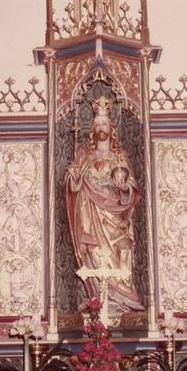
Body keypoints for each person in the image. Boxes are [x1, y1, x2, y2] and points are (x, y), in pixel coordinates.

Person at [66, 96, 144, 312]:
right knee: (95, 256)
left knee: (121, 251)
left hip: (115, 218)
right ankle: (98, 298)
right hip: (91, 214)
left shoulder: (119, 156)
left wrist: (124, 188)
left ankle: (121, 298)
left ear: (111, 128)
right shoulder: (83, 154)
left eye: (104, 124)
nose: (101, 128)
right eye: (97, 124)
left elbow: (132, 188)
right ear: (93, 129)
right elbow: (73, 188)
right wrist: (74, 178)